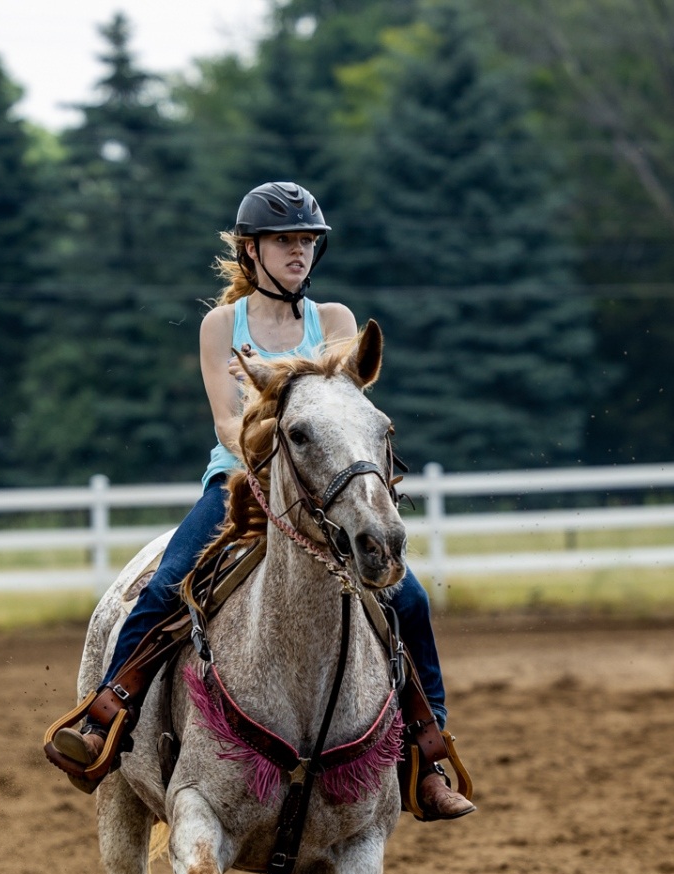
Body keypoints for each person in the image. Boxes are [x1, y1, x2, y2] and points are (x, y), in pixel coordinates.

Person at [50, 181, 474, 821]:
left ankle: (427, 752)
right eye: (284, 241)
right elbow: (227, 422)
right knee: (166, 585)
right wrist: (268, 452)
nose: (299, 251)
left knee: (407, 598)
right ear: (251, 250)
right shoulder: (222, 325)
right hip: (238, 481)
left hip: (319, 490)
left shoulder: (336, 321)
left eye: (307, 241)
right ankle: (106, 718)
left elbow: (343, 412)